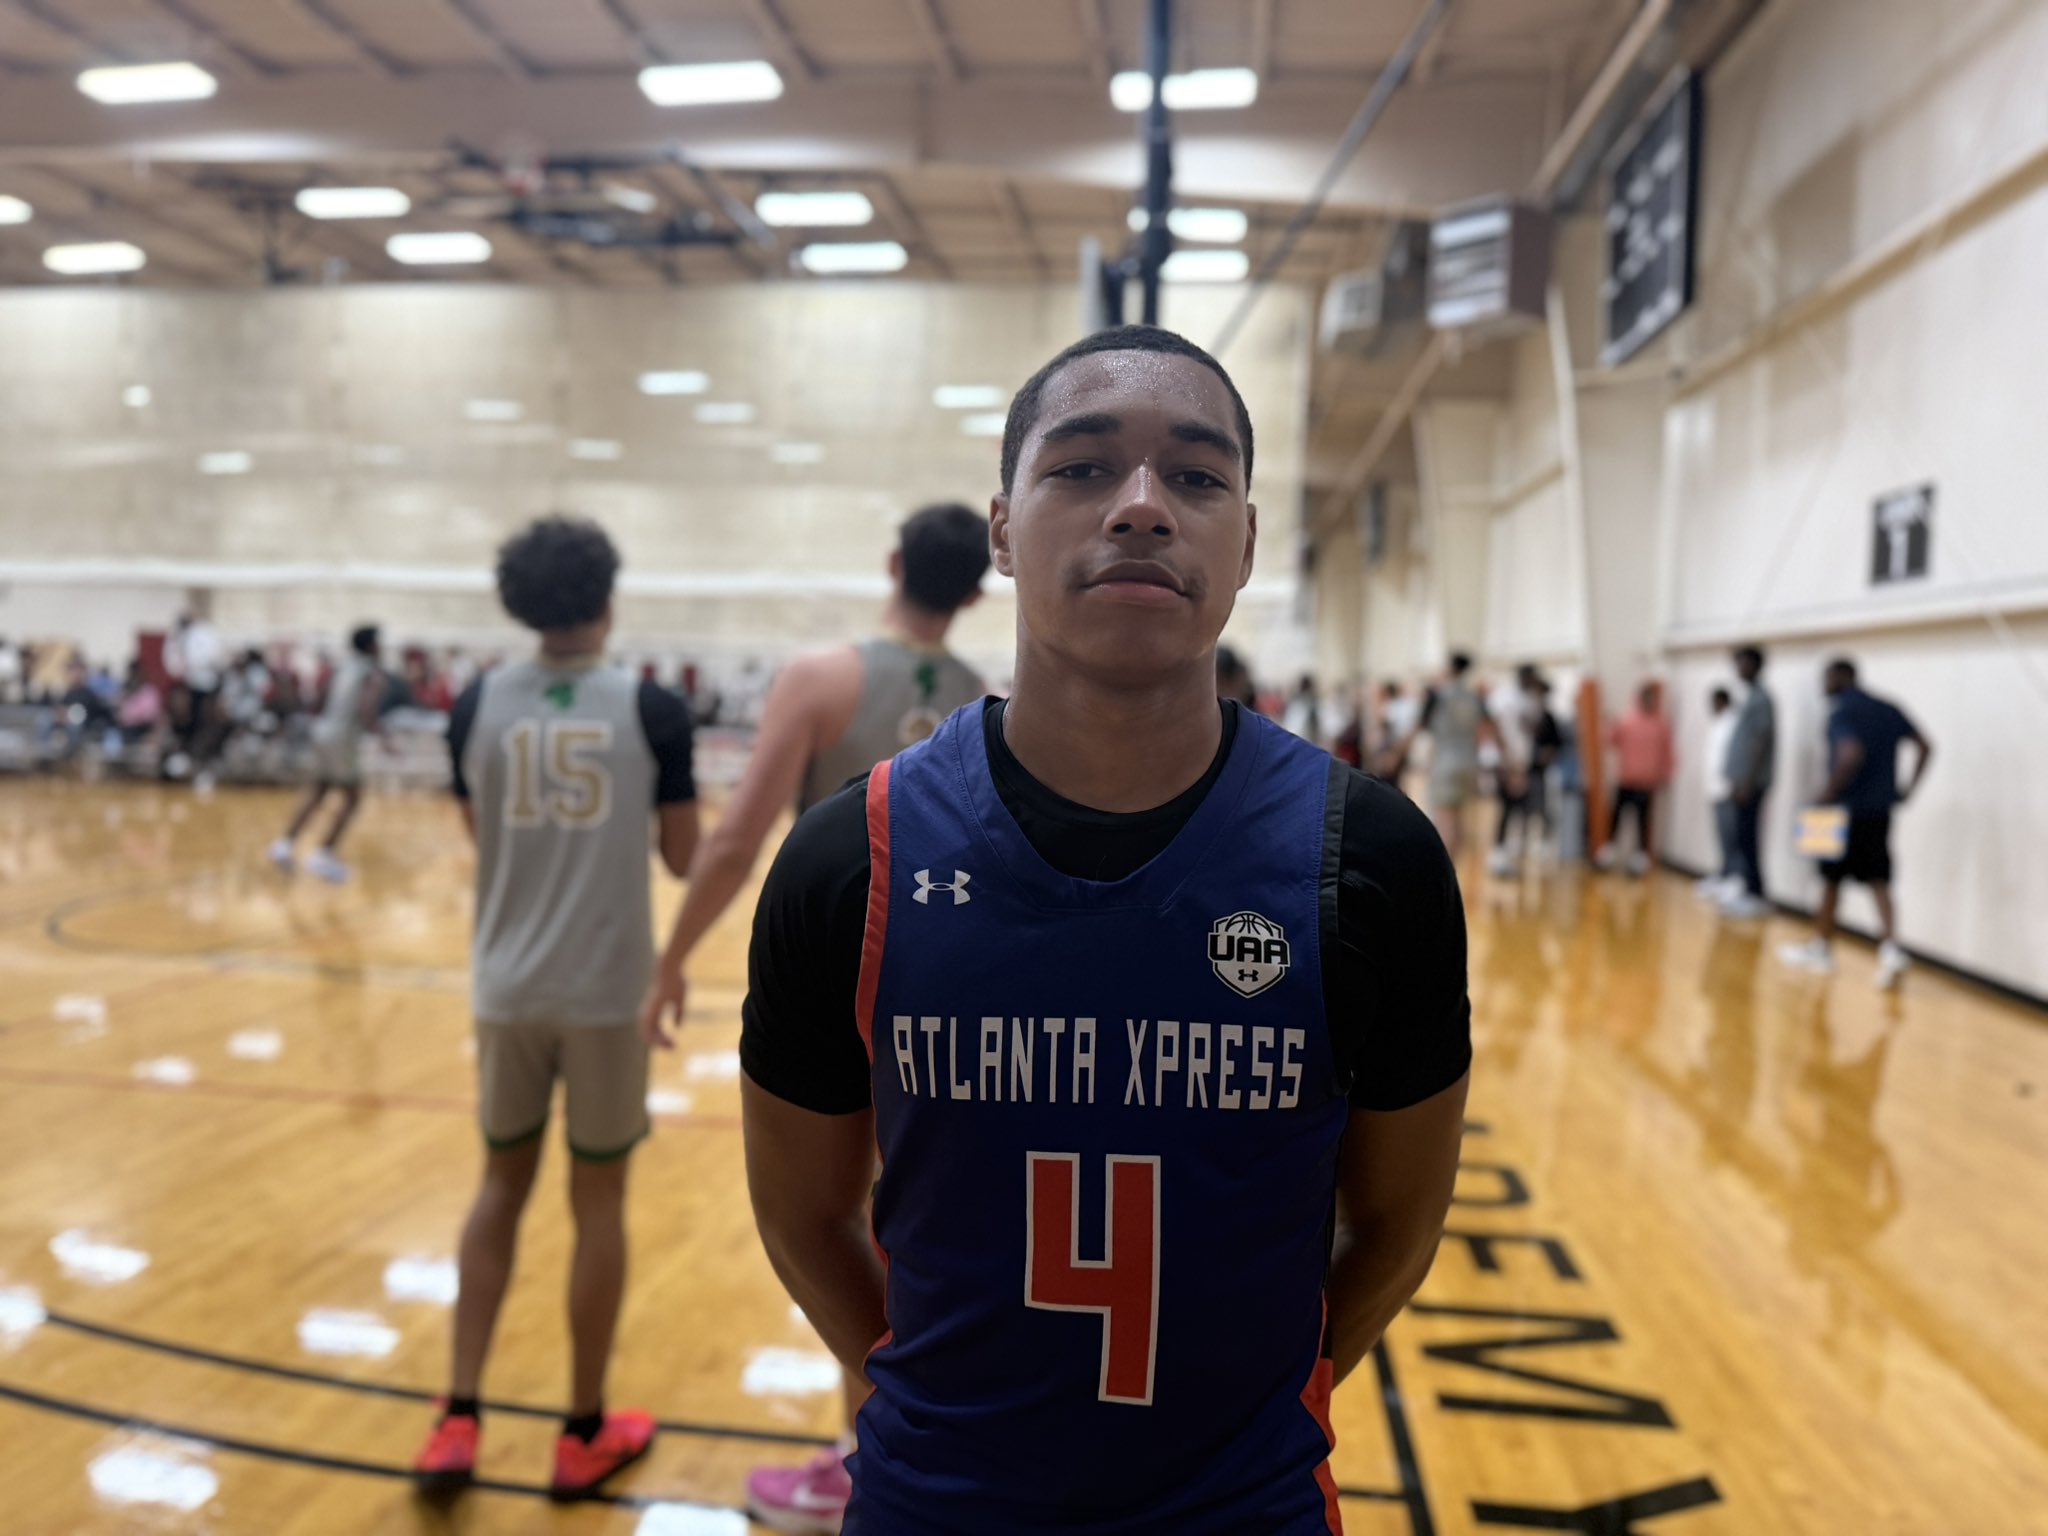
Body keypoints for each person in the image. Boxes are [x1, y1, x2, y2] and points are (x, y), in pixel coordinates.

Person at [739, 324, 1470, 1534]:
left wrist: (1255, 1413)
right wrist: (922, 1403)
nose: (1140, 505)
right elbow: (800, 1217)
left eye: (1195, 476)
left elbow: (1397, 1223)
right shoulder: (848, 858)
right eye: (1080, 468)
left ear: (1245, 541)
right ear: (1000, 531)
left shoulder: (1370, 859)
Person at [636, 502, 990, 1534]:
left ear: (892, 563)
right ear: (976, 590)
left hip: (840, 993)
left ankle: (872, 1463)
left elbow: (737, 839)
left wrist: (671, 958)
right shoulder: (986, 699)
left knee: (841, 1229)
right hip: (955, 996)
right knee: (920, 1233)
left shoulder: (819, 678)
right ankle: (908, 1448)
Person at [411, 515, 699, 1502]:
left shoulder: (475, 705)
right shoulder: (651, 709)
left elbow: (482, 835)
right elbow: (683, 859)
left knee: (497, 1190)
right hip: (606, 994)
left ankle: (457, 1416)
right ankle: (580, 1432)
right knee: (598, 1204)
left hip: (505, 988)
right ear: (607, 596)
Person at [1779, 659, 1932, 987]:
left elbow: (1850, 754)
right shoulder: (1888, 708)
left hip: (1843, 811)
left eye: (1827, 677)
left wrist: (1827, 793)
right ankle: (1891, 948)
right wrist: (1907, 790)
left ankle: (1821, 946)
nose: (1823, 684)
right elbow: (1925, 745)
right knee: (1879, 879)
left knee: (1830, 880)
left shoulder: (1842, 712)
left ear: (1843, 676)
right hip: (1879, 811)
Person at [268, 625, 384, 882]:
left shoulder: (342, 666)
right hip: (343, 739)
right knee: (353, 798)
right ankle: (324, 853)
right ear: (371, 645)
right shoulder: (371, 672)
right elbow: (366, 709)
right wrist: (382, 736)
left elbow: (321, 696)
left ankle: (284, 844)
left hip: (323, 731)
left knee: (320, 790)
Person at [1407, 652, 1492, 857]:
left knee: (1446, 822)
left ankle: (1446, 868)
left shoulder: (1438, 696)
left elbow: (1417, 727)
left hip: (1444, 763)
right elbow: (1489, 730)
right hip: (1469, 762)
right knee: (1459, 821)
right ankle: (1455, 866)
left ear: (1450, 668)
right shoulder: (1474, 698)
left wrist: (1396, 753)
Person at [1718, 645, 1776, 918]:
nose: (1738, 668)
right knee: (1741, 837)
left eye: (1743, 663)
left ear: (1755, 665)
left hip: (1750, 784)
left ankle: (1755, 893)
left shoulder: (1761, 699)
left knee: (1749, 837)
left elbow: (1760, 742)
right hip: (1743, 782)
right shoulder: (1750, 696)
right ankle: (1745, 888)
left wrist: (1746, 782)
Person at [1597, 680, 1676, 876]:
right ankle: (1608, 854)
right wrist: (1608, 724)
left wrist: (1666, 774)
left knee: (1643, 821)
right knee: (1617, 817)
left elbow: (1668, 752)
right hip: (1626, 779)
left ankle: (1640, 858)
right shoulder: (1627, 720)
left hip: (1647, 782)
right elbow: (1610, 741)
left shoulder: (1660, 724)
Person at [165, 609, 227, 789]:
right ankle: (186, 764)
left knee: (207, 729)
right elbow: (174, 664)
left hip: (206, 686)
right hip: (192, 686)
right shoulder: (178, 639)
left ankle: (204, 768)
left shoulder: (204, 635)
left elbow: (210, 659)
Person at [1696, 686, 1740, 901]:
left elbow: (1734, 757)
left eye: (1713, 702)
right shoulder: (1718, 723)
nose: (1711, 707)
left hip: (1727, 790)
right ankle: (1724, 874)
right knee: (1722, 837)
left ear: (1722, 701)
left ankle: (1735, 879)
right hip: (1715, 789)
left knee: (1732, 837)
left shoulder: (1732, 724)